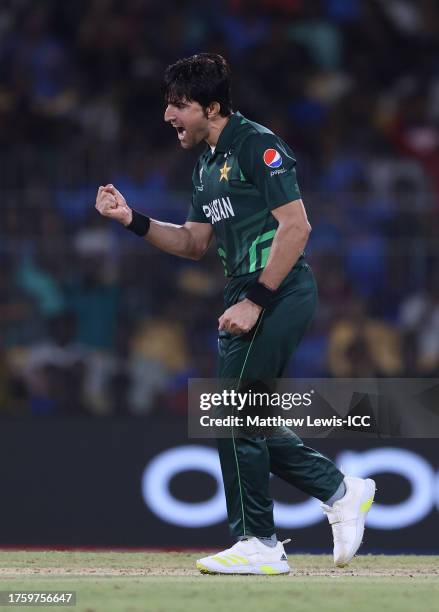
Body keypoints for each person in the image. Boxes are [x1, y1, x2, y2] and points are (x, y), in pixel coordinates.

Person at [95, 53, 376, 575]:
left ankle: (260, 542)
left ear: (213, 106)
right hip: (247, 290)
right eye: (167, 104)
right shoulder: (205, 164)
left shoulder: (257, 145)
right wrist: (131, 219)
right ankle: (338, 489)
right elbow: (194, 241)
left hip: (280, 287)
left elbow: (296, 227)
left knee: (232, 411)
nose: (167, 115)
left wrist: (257, 300)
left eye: (178, 105)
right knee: (242, 415)